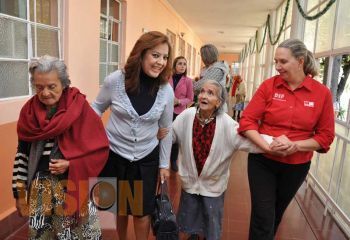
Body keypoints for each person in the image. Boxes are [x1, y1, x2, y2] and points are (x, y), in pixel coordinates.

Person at [238, 38, 335, 240]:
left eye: (283, 62)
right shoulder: (269, 86)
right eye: (276, 62)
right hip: (262, 161)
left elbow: (325, 136)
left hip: (296, 166)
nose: (277, 67)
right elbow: (247, 121)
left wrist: (295, 145)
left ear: (300, 61)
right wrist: (267, 146)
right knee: (262, 215)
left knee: (275, 214)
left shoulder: (322, 94)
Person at [12, 55, 109, 239]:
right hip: (39, 188)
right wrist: (19, 194)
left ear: (63, 83)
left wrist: (71, 163)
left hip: (73, 185)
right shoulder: (28, 113)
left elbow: (99, 152)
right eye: (39, 87)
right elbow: (21, 156)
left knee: (79, 235)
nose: (45, 93)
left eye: (51, 86)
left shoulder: (80, 108)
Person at [92, 31, 174, 240]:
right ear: (141, 53)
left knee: (142, 211)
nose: (161, 62)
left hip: (146, 158)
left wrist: (164, 164)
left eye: (165, 57)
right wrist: (98, 138)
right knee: (117, 207)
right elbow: (96, 108)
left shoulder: (166, 90)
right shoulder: (115, 81)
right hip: (114, 154)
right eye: (155, 55)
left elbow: (167, 129)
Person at [171, 80, 275, 240]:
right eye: (203, 92)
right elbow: (171, 135)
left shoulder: (227, 124)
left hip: (213, 186)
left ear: (219, 102)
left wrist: (276, 143)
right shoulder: (187, 115)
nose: (204, 96)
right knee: (188, 222)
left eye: (210, 93)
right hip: (190, 183)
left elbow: (249, 140)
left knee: (211, 224)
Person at [169, 56, 194, 172]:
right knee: (163, 134)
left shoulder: (188, 81)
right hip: (165, 111)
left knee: (176, 137)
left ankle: (173, 160)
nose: (183, 66)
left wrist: (179, 101)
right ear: (174, 65)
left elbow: (190, 98)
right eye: (180, 63)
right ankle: (161, 159)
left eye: (184, 64)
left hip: (179, 112)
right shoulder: (167, 78)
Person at [193, 44, 229, 111]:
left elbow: (198, 87)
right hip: (207, 104)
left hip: (215, 107)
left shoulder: (217, 69)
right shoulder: (209, 68)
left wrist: (191, 83)